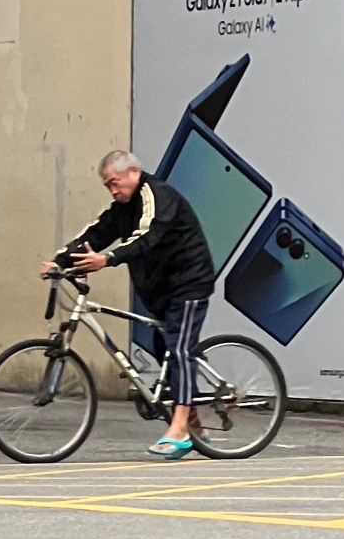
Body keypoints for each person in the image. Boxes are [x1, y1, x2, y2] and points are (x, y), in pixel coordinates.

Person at [45, 148, 216, 458]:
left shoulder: (158, 195)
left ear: (134, 173)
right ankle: (193, 424)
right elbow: (96, 233)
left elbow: (146, 236)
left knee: (178, 349)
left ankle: (179, 430)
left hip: (188, 282)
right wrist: (59, 261)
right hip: (159, 289)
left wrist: (109, 259)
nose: (113, 190)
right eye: (107, 185)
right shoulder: (121, 209)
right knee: (166, 350)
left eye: (115, 182)